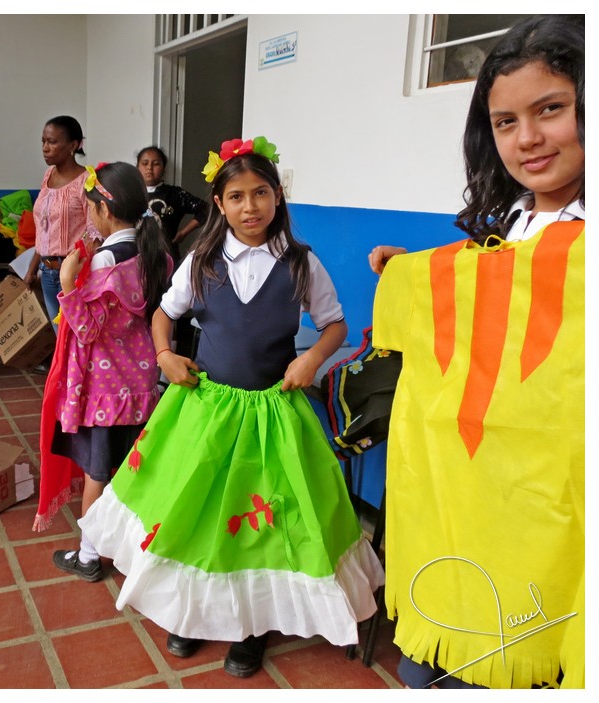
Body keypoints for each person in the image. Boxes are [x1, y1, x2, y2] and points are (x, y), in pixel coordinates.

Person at [78, 138, 385, 678]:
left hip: (272, 413)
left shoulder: (300, 262)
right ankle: (191, 612)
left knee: (257, 519)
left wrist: (312, 357)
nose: (250, 207)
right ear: (219, 204)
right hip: (204, 410)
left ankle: (249, 628)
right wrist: (165, 356)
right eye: (237, 196)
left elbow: (334, 322)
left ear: (277, 197)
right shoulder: (201, 259)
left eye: (261, 193)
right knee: (191, 510)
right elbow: (163, 314)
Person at [371, 15, 584, 689]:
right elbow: (494, 300)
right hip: (454, 516)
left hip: (552, 524)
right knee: (429, 668)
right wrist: (415, 276)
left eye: (551, 110)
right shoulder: (505, 227)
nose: (527, 139)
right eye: (504, 121)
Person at [32, 164, 171, 579]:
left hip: (104, 389)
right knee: (134, 468)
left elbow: (90, 328)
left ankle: (89, 556)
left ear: (103, 211)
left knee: (98, 472)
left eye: (89, 208)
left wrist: (70, 284)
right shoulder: (158, 253)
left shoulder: (106, 258)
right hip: (141, 382)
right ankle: (137, 550)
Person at [23, 116, 98, 330]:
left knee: (76, 339)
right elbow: (45, 229)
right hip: (47, 272)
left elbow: (95, 232)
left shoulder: (86, 181)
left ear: (73, 145)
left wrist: (82, 271)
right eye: (43, 142)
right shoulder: (48, 175)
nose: (45, 148)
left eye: (53, 142)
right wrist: (32, 269)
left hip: (74, 275)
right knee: (60, 341)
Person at [136, 146, 208, 263]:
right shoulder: (130, 194)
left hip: (166, 259)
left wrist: (183, 233)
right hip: (135, 259)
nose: (149, 168)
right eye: (145, 163)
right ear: (137, 167)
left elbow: (206, 210)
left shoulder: (175, 194)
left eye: (156, 164)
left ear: (164, 169)